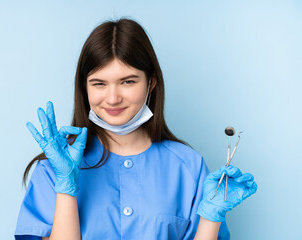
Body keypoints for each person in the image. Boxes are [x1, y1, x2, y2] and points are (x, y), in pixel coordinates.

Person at [14, 18, 257, 240]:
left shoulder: (188, 167)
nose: (112, 98)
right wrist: (66, 189)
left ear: (151, 82)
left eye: (127, 81)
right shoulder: (53, 170)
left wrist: (210, 220)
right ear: (84, 89)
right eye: (99, 83)